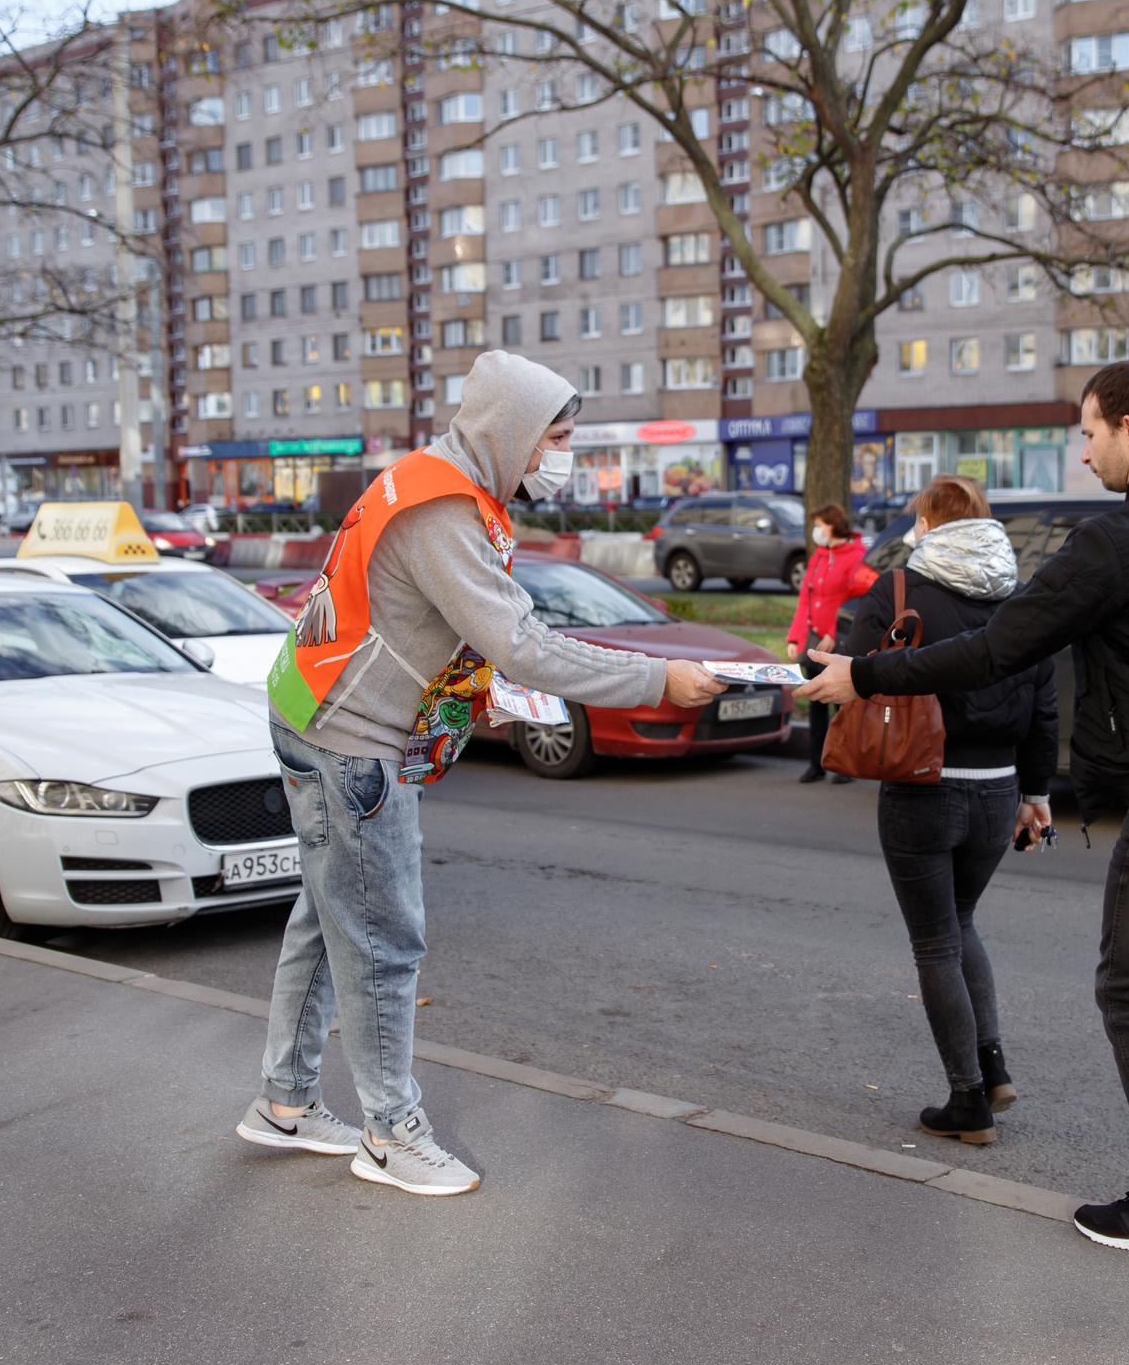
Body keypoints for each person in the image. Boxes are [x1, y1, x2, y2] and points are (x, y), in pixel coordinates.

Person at [798, 362, 1129, 1262]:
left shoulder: (1116, 543)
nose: (1081, 454)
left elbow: (997, 650)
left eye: (1087, 433)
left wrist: (866, 673)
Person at [243, 349, 725, 1195]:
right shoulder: (446, 516)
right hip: (352, 740)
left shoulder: (430, 480)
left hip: (308, 709)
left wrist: (475, 697)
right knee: (384, 942)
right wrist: (659, 678)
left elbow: (410, 622)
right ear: (514, 434)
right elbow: (525, 645)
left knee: (327, 921)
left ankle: (284, 1100)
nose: (563, 455)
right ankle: (390, 1133)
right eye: (559, 437)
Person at [840, 477, 1055, 1143]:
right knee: (962, 924)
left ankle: (968, 1100)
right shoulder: (1021, 600)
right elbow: (1045, 707)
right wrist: (1037, 795)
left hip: (920, 786)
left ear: (928, 523)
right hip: (998, 790)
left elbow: (856, 670)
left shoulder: (900, 590)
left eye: (917, 521)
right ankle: (992, 1068)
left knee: (936, 941)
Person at [784, 502, 876, 783]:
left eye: (820, 525)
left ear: (834, 525)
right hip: (813, 642)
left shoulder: (857, 555)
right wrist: (794, 637)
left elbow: (861, 600)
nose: (816, 531)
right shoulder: (819, 556)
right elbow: (806, 599)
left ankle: (844, 764)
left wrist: (835, 634)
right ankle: (817, 762)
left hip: (840, 643)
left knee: (841, 705)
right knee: (815, 701)